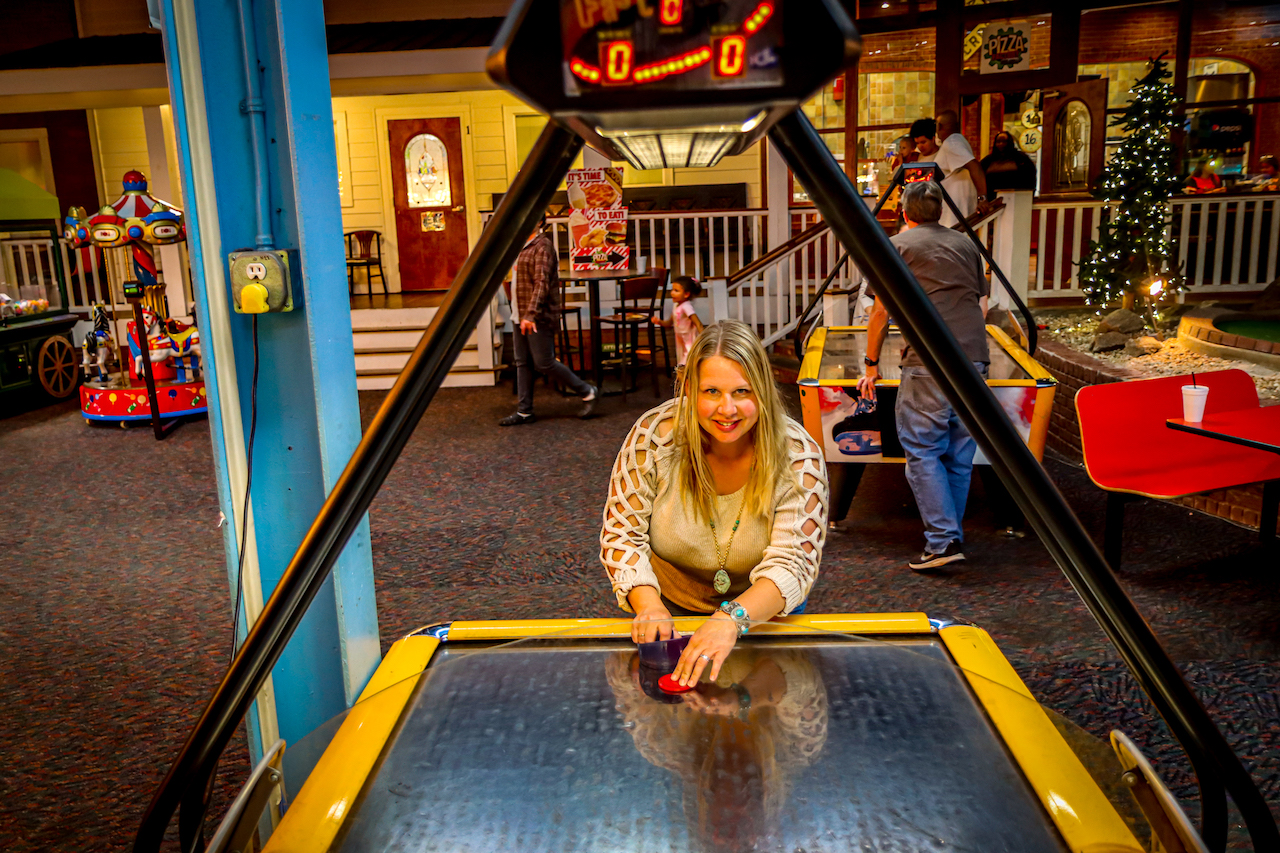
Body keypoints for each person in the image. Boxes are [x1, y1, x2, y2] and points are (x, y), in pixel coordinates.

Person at [600, 319, 828, 687]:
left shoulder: (798, 456)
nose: (727, 409)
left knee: (762, 720)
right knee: (674, 723)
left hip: (762, 614)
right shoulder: (655, 436)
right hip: (668, 608)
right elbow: (622, 535)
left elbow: (793, 563)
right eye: (711, 392)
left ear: (764, 391)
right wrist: (648, 604)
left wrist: (731, 619)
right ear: (690, 389)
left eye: (742, 391)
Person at [856, 181, 989, 570]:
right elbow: (976, 303)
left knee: (923, 451)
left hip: (929, 361)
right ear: (940, 212)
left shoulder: (897, 246)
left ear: (904, 212)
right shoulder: (967, 244)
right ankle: (951, 536)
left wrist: (870, 364)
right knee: (959, 456)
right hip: (974, 359)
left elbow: (880, 311)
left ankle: (942, 543)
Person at [499, 214, 597, 425]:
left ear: (539, 221)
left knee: (544, 362)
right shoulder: (522, 245)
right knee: (522, 362)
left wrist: (531, 314)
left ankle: (588, 391)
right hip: (520, 314)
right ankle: (525, 411)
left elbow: (541, 283)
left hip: (536, 316)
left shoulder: (542, 246)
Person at [910, 112, 990, 228]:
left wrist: (982, 198)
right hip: (954, 210)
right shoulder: (957, 141)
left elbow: (974, 166)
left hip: (954, 212)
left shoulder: (951, 144)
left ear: (940, 127)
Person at [655, 275, 705, 369]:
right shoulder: (676, 306)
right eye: (672, 290)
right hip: (680, 339)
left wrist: (704, 339)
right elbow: (670, 323)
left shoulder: (686, 307)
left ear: (686, 294)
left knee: (688, 361)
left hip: (689, 339)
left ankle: (689, 380)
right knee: (682, 361)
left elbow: (698, 323)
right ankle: (685, 381)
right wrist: (659, 322)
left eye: (676, 291)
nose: (672, 293)